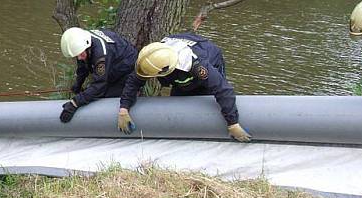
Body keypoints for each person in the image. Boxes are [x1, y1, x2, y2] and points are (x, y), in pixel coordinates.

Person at [117, 32, 251, 142]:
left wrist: (233, 123)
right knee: (180, 96)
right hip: (175, 63)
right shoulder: (152, 59)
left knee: (208, 93)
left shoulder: (196, 65)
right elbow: (133, 82)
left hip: (207, 54)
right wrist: (124, 109)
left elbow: (222, 89)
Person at [59, 27, 138, 123]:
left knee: (104, 96)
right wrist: (78, 83)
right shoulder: (81, 44)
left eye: (80, 55)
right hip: (114, 62)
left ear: (87, 47)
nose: (79, 58)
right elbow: (82, 66)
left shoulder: (100, 54)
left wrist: (74, 103)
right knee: (92, 92)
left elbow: (99, 85)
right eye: (76, 56)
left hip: (127, 69)